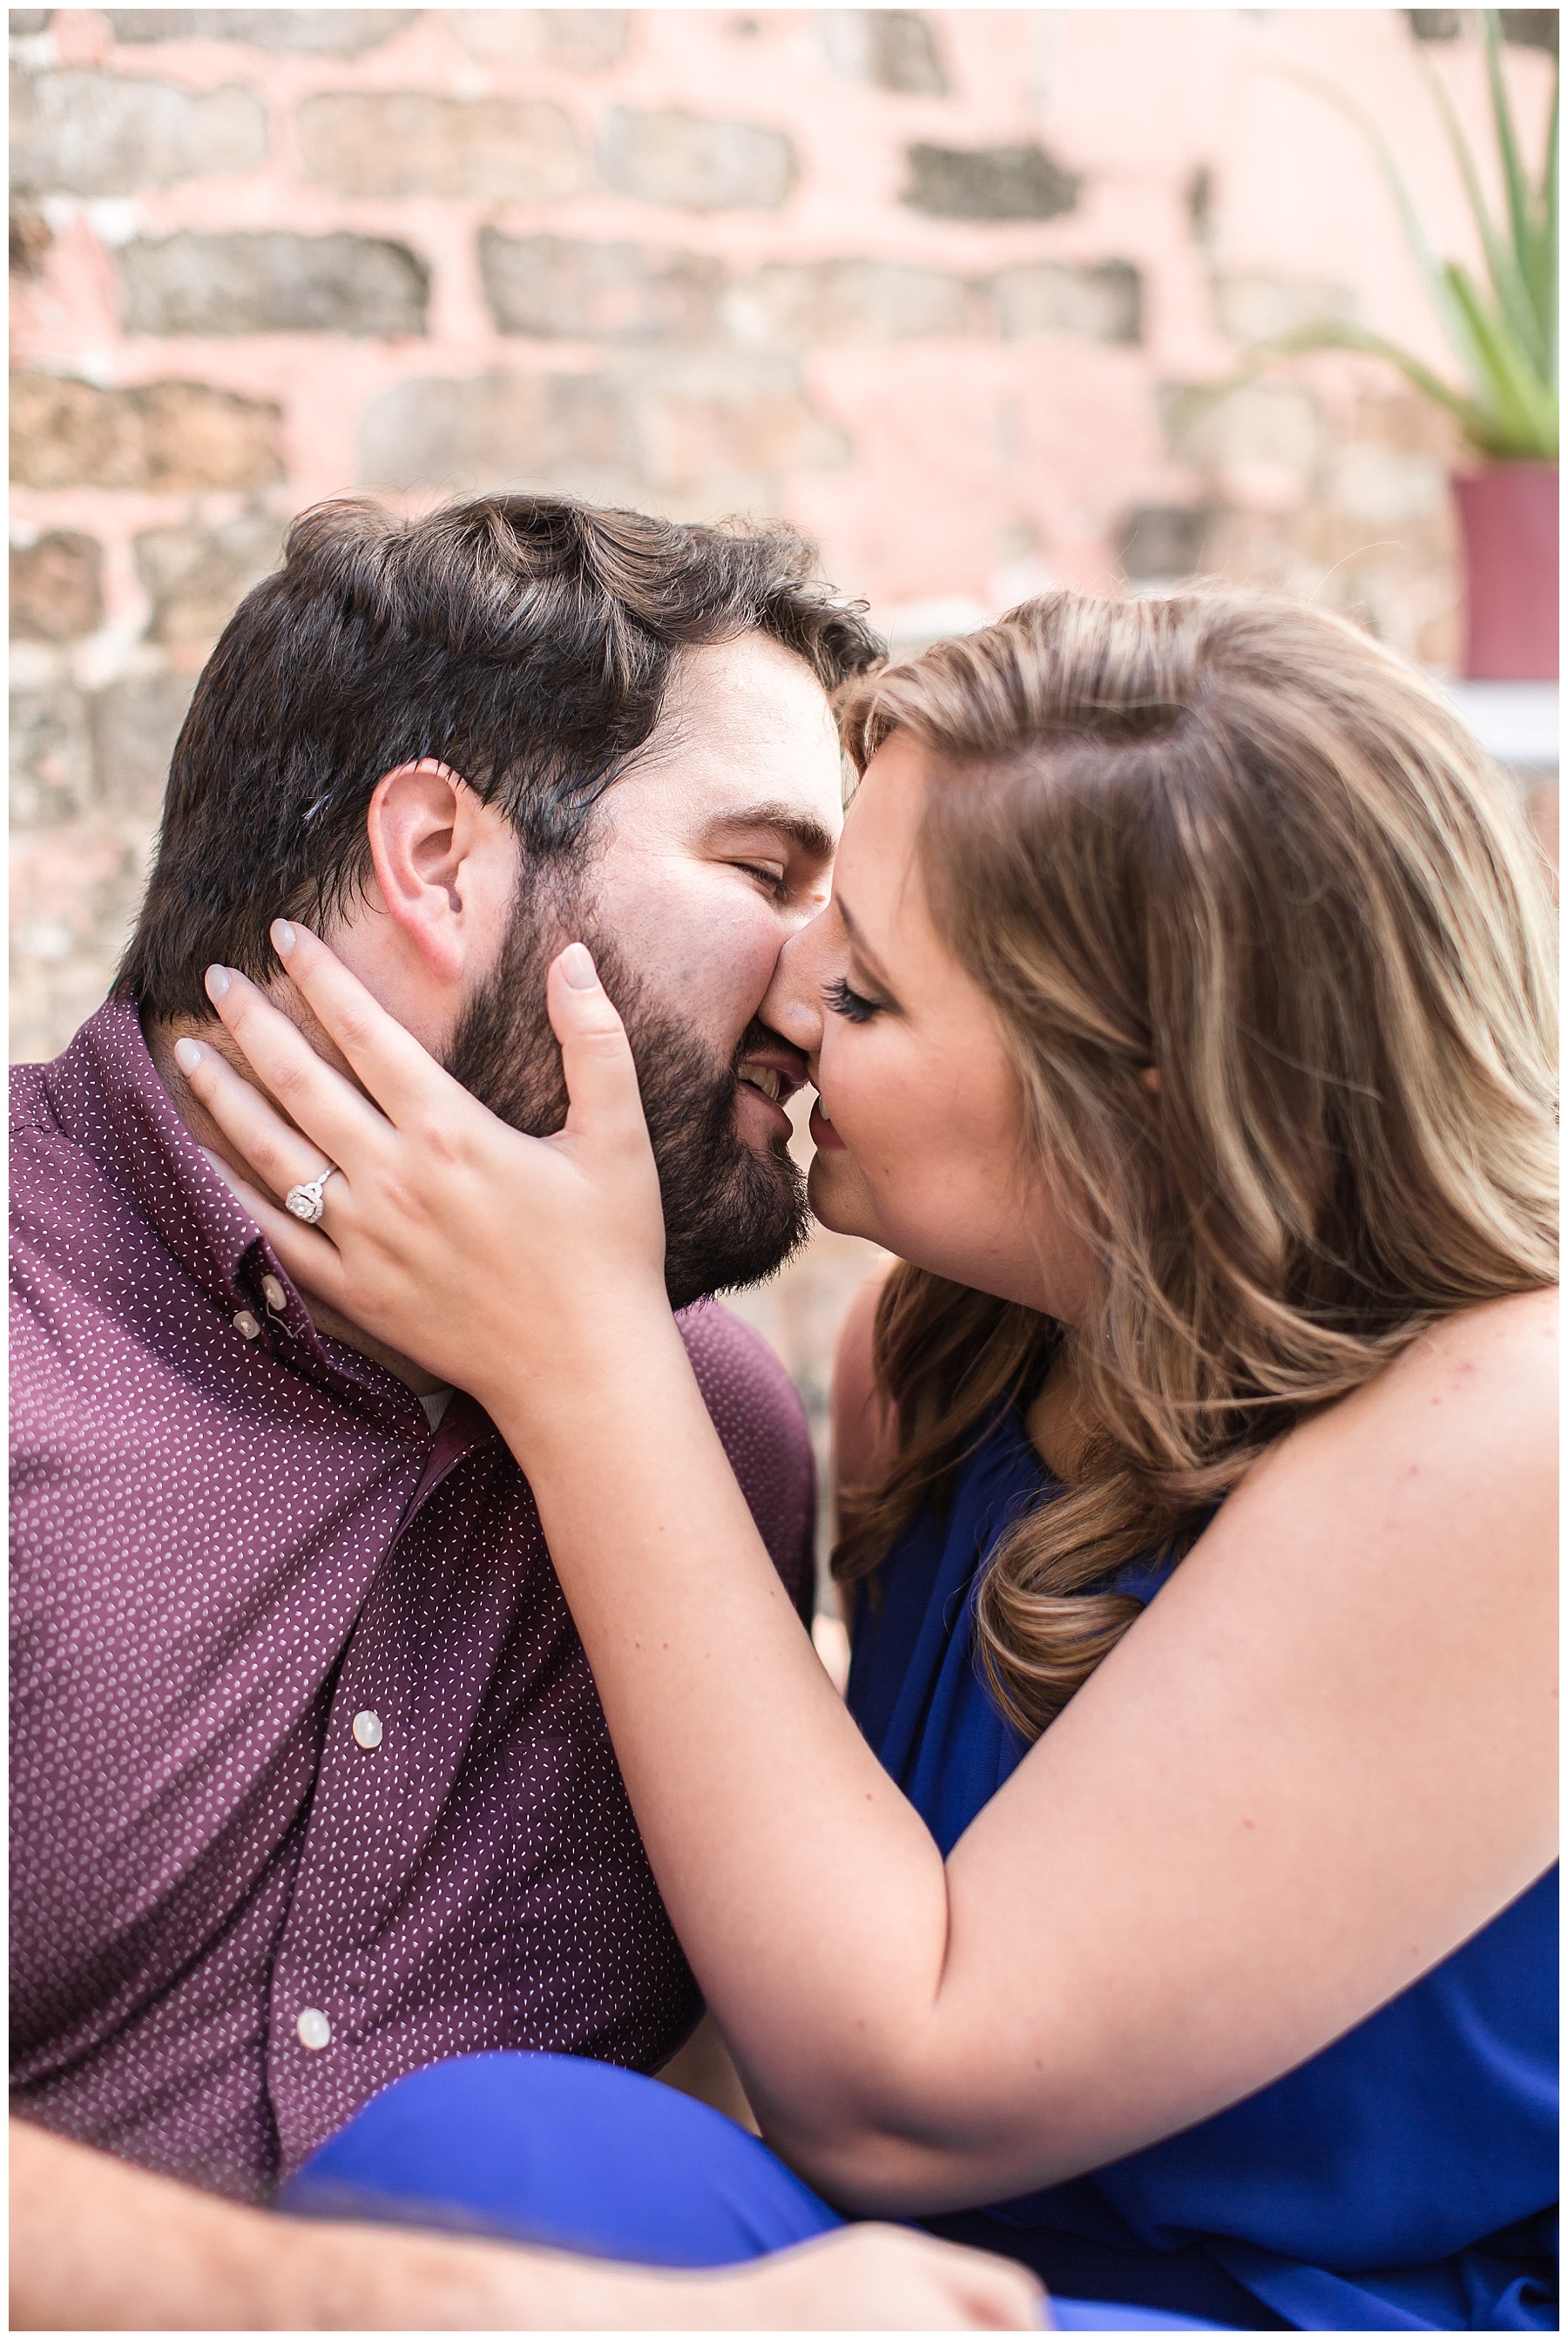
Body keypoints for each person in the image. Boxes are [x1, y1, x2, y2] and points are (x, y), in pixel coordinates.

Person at [186, 587, 1557, 2333]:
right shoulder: (932, 1359)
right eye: (809, 895)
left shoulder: (1512, 1424)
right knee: (498, 2153)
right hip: (921, 2283)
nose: (796, 992)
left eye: (881, 984)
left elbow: (897, 2088)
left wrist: (589, 1361)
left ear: (1134, 1097)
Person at [10, 490, 1044, 2330]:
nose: (825, 985)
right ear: (436, 855)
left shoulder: (709, 1429)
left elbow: (718, 2081)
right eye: (764, 871)